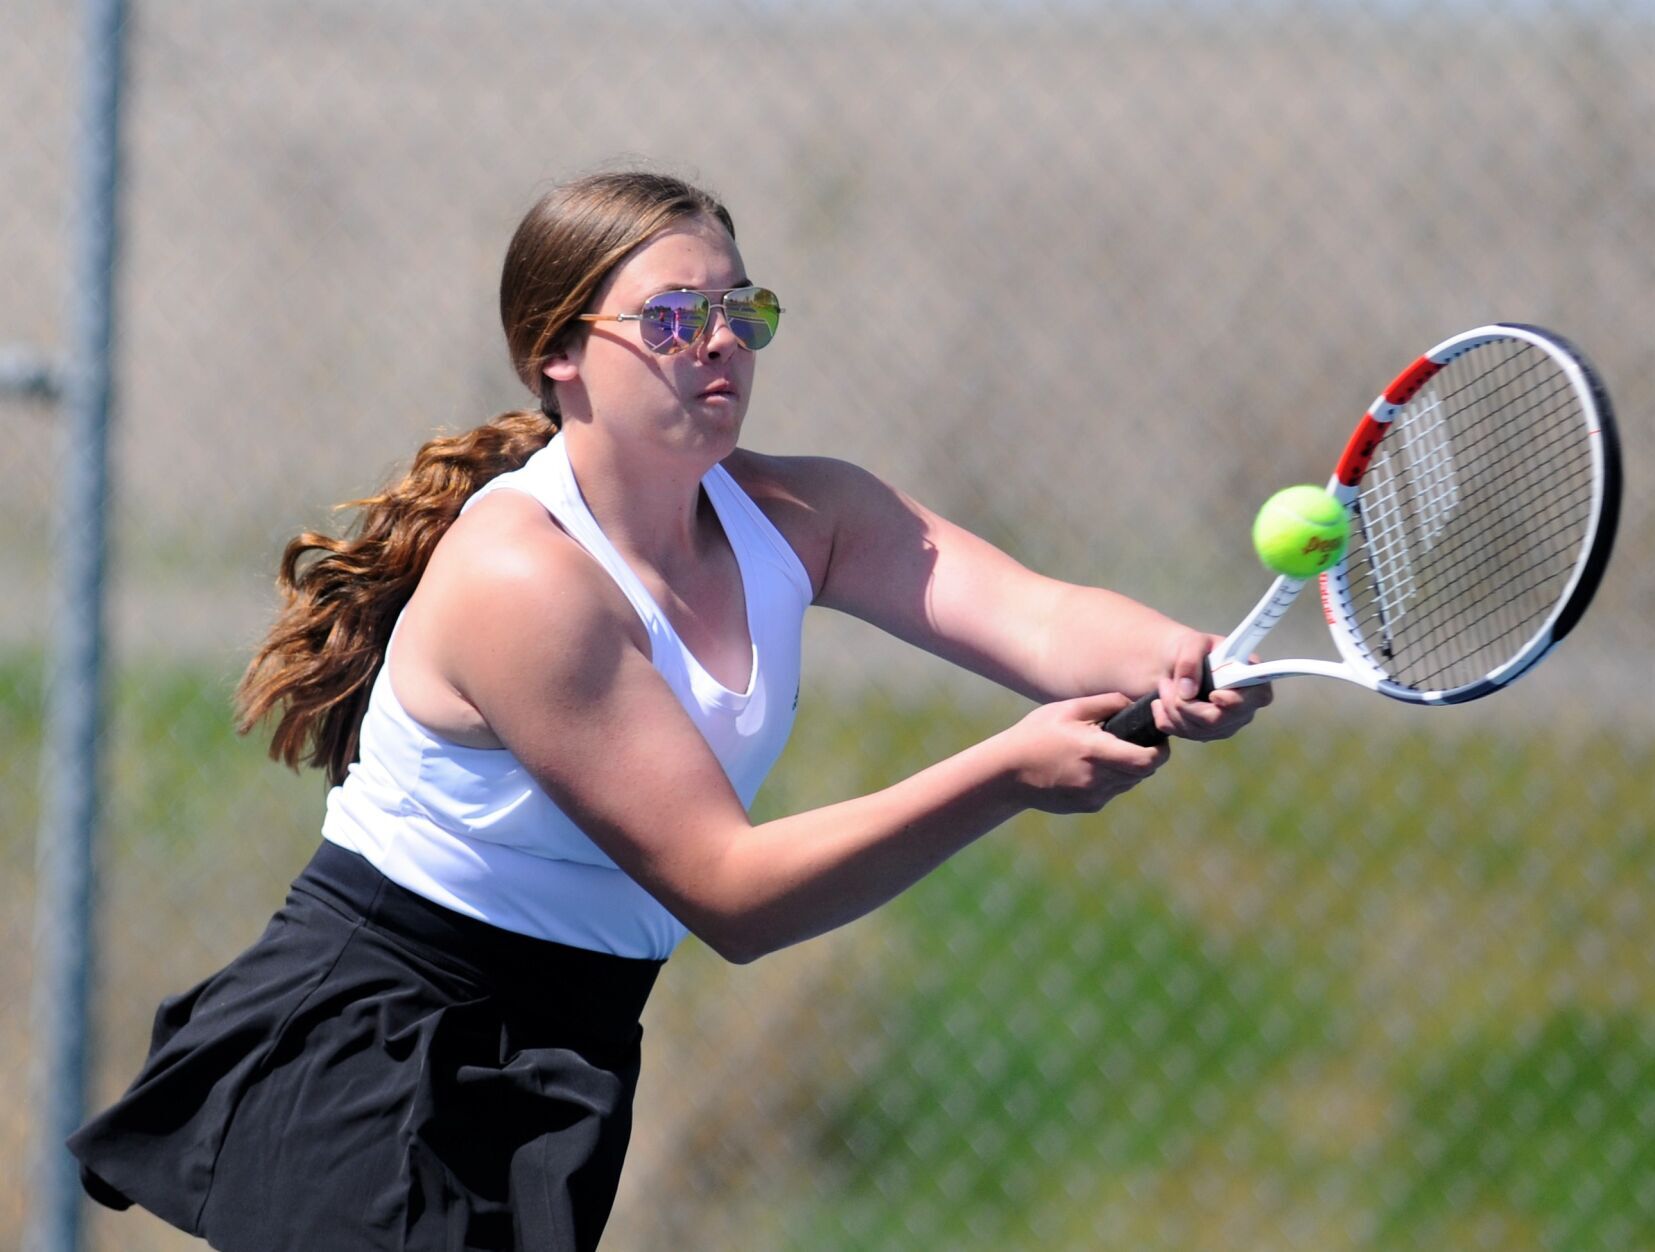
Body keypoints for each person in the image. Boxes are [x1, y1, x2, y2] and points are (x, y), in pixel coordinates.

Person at [68, 170, 1269, 1251]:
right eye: (673, 320)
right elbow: (731, 891)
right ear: (558, 354)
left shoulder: (807, 515)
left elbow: (1042, 620)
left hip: (570, 1043)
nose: (720, 347)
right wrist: (1003, 773)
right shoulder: (523, 581)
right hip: (379, 1052)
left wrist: (1179, 653)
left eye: (741, 314)